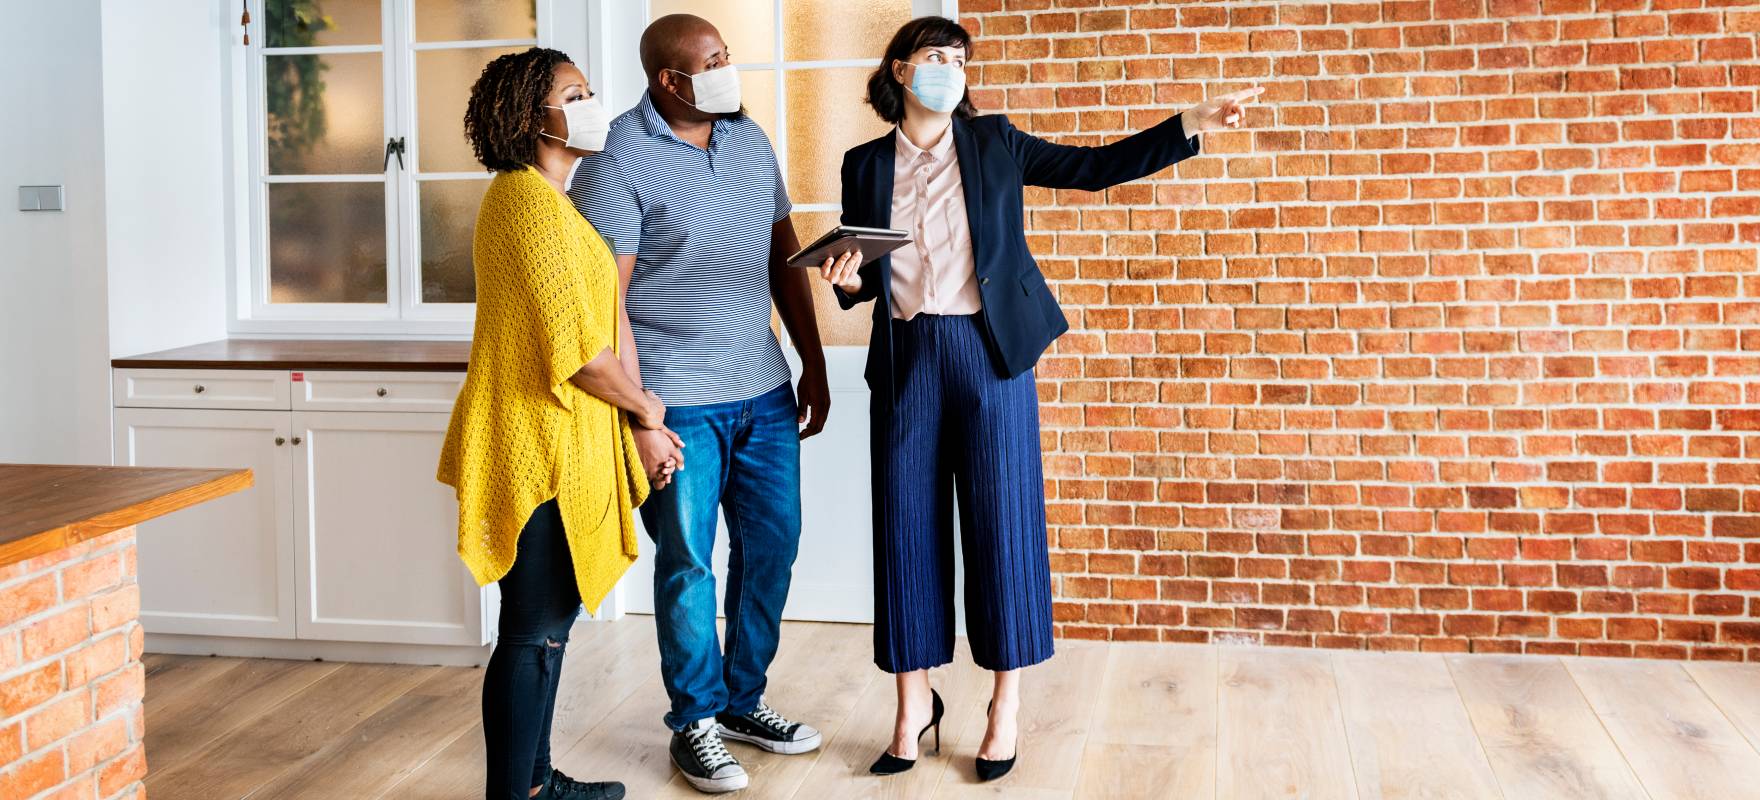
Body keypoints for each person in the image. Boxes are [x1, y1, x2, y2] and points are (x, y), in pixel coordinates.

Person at [821, 16, 1262, 783]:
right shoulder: (864, 164)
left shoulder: (994, 143)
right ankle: (911, 705)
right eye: (934, 57)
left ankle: (1004, 708)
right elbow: (863, 281)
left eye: (959, 59)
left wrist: (1191, 123)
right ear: (899, 71)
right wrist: (846, 277)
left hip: (992, 356)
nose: (950, 70)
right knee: (904, 529)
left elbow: (1095, 167)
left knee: (1003, 525)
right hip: (906, 361)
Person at [567, 13, 840, 795]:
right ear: (669, 80)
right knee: (687, 561)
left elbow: (783, 255)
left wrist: (811, 363)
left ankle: (743, 703)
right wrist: (642, 417)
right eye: (712, 60)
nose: (728, 69)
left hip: (762, 388)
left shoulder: (748, 138)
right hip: (678, 402)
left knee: (773, 547)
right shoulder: (618, 158)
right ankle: (694, 721)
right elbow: (603, 304)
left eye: (728, 56)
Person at [439, 47, 672, 800]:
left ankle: (537, 782)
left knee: (547, 629)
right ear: (529, 113)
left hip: (563, 442)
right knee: (533, 631)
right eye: (574, 94)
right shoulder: (523, 201)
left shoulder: (549, 201)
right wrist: (646, 409)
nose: (590, 103)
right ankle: (517, 794)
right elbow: (574, 353)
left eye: (589, 91)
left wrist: (637, 425)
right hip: (535, 447)